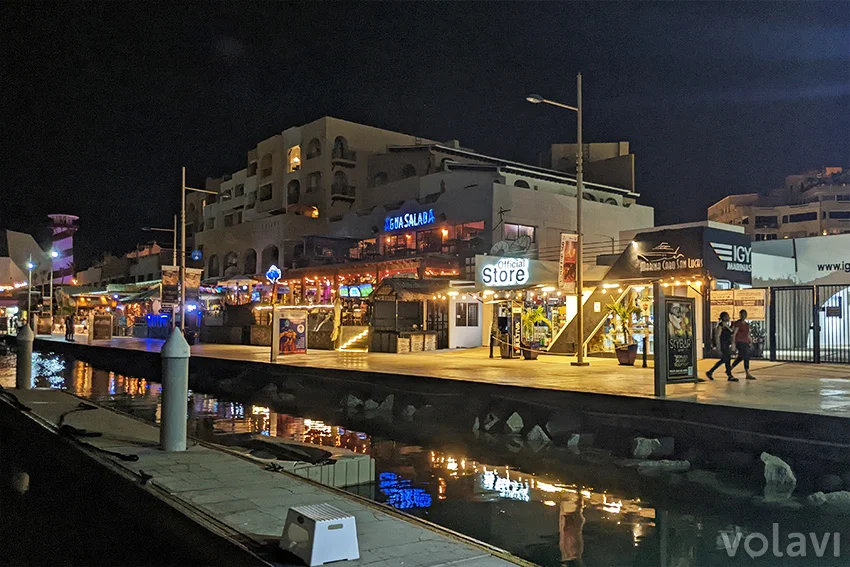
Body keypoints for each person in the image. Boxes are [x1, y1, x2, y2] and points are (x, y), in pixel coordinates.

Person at [707, 311, 737, 382]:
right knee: (726, 360)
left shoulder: (725, 325)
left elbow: (731, 331)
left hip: (726, 345)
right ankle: (729, 375)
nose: (729, 317)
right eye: (727, 316)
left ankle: (710, 372)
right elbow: (717, 337)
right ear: (724, 317)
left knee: (725, 360)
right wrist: (718, 348)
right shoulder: (720, 326)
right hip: (723, 346)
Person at [731, 309, 756, 380]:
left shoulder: (747, 324)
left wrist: (751, 342)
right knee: (746, 356)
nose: (743, 316)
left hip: (745, 342)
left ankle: (730, 368)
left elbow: (748, 334)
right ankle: (747, 373)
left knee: (741, 357)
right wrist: (733, 343)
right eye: (742, 314)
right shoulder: (738, 323)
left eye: (745, 314)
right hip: (740, 342)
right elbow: (734, 334)